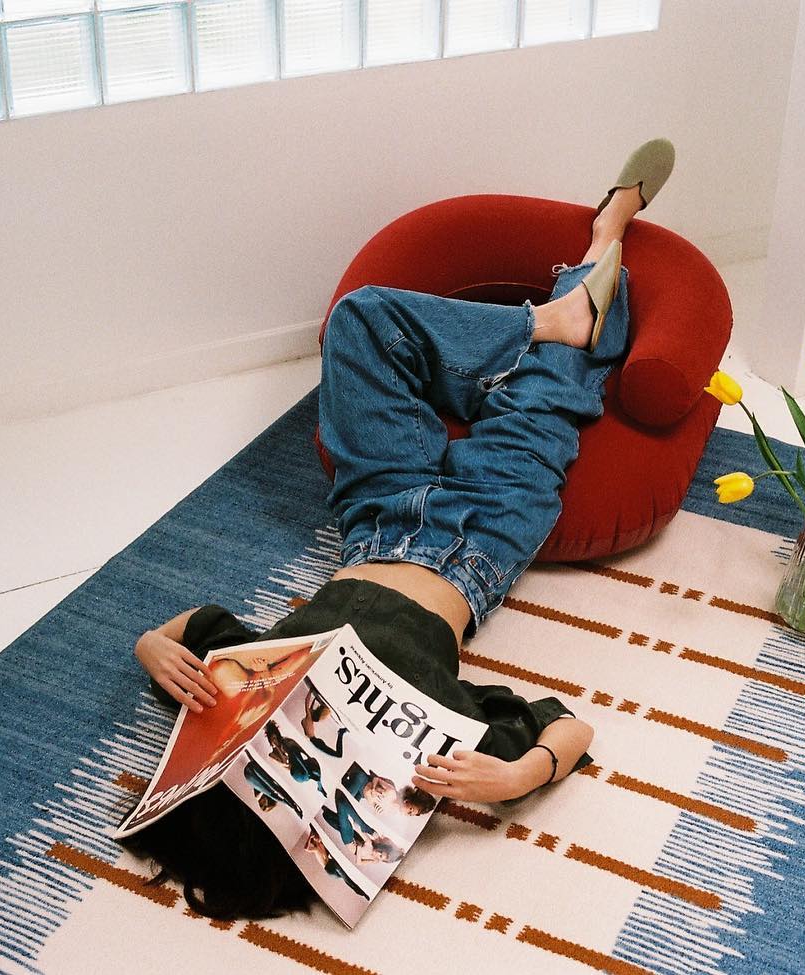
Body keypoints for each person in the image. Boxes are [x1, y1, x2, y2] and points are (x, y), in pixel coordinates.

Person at [120, 139, 677, 920]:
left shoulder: (252, 697)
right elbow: (566, 725)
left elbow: (193, 627)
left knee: (360, 319)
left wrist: (151, 644)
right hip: (481, 540)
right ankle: (601, 244)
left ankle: (542, 325)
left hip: (377, 514)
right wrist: (518, 776)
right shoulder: (408, 763)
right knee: (553, 394)